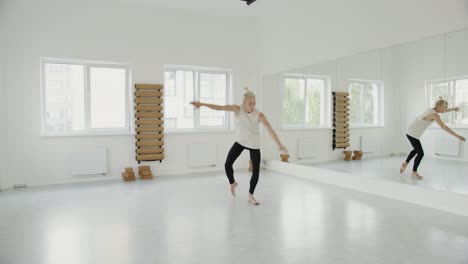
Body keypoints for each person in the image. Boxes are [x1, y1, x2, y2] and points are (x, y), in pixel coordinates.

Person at [191, 87, 288, 205]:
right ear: (244, 103)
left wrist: (279, 144)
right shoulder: (238, 109)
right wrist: (201, 104)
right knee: (227, 164)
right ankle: (233, 183)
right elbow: (220, 108)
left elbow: (270, 130)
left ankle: (251, 195)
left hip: (254, 144)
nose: (252, 106)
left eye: (254, 103)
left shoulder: (259, 115)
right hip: (241, 142)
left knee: (256, 172)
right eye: (250, 103)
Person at [400, 97, 466, 179]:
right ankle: (414, 172)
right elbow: (444, 127)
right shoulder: (435, 115)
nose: (445, 109)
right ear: (438, 106)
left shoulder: (432, 109)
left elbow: (443, 111)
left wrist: (453, 109)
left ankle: (406, 163)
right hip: (412, 132)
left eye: (446, 108)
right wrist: (458, 136)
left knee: (416, 150)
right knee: (420, 153)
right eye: (444, 107)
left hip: (412, 130)